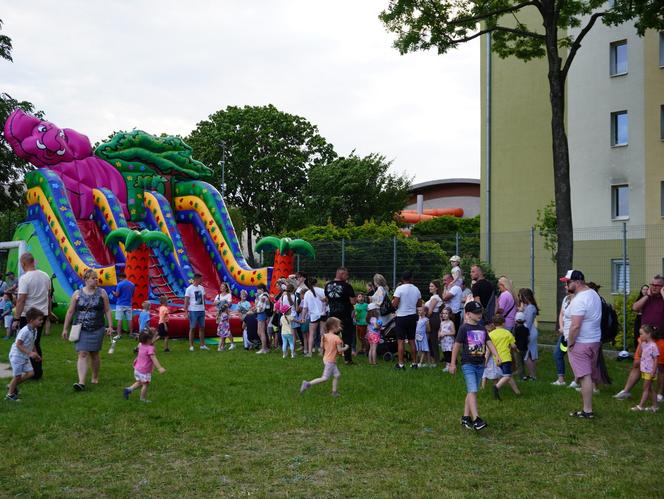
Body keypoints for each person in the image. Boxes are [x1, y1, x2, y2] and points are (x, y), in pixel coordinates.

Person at [450, 301, 500, 431]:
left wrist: (496, 355)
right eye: (476, 313)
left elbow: (488, 342)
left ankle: (465, 417)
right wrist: (452, 363)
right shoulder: (464, 328)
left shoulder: (482, 328)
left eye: (480, 312)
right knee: (473, 390)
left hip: (480, 365)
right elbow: (456, 346)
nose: (479, 315)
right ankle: (476, 419)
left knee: (472, 391)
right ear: (468, 314)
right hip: (468, 364)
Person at [62, 269, 114, 391]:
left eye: (96, 278)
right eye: (93, 278)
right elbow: (70, 312)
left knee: (94, 354)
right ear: (86, 279)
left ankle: (95, 377)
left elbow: (107, 310)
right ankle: (81, 382)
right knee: (82, 353)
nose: (96, 280)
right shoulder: (77, 294)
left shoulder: (102, 293)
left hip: (97, 327)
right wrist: (65, 328)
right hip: (81, 328)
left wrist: (110, 326)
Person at [562, 270, 602, 419]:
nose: (566, 286)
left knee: (585, 377)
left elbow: (575, 326)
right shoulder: (593, 294)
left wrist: (570, 344)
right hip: (594, 340)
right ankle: (587, 409)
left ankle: (587, 410)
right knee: (588, 376)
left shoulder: (579, 300)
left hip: (581, 342)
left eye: (568, 282)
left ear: (577, 282)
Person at [12, 252, 51, 380]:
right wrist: (48, 313)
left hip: (28, 316)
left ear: (23, 263)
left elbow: (21, 299)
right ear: (33, 261)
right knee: (35, 342)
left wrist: (16, 318)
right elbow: (48, 296)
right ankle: (37, 371)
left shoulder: (25, 278)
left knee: (25, 344)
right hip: (42, 314)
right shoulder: (45, 276)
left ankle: (30, 371)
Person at [299, 317, 349, 397]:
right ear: (333, 327)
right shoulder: (337, 338)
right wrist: (346, 347)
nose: (340, 327)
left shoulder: (324, 336)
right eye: (338, 326)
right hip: (330, 360)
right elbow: (340, 350)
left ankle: (334, 392)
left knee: (337, 375)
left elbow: (322, 346)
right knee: (325, 378)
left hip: (326, 359)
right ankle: (307, 384)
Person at [5, 307, 43, 401]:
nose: (41, 321)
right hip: (17, 356)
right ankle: (10, 395)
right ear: (31, 320)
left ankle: (11, 386)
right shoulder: (25, 330)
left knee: (31, 373)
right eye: (39, 320)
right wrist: (30, 353)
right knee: (17, 376)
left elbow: (32, 343)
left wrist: (36, 354)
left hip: (24, 356)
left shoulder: (35, 330)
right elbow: (18, 344)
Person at [122, 330, 166, 403]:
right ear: (149, 340)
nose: (154, 339)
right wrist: (160, 368)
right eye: (152, 338)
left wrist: (135, 359)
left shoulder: (140, 345)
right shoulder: (150, 348)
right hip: (144, 370)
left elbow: (140, 354)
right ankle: (142, 399)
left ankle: (128, 390)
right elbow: (154, 358)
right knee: (145, 385)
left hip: (137, 368)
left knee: (139, 382)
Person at [325, 267, 356, 365]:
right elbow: (353, 301)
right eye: (346, 275)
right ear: (341, 274)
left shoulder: (327, 285)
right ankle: (347, 359)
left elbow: (326, 299)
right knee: (347, 337)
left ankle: (329, 358)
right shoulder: (347, 286)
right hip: (345, 315)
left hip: (332, 316)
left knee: (331, 337)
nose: (347, 277)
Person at [392, 270, 422, 370]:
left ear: (402, 279)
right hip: (413, 316)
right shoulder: (416, 289)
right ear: (411, 278)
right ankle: (414, 363)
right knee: (412, 340)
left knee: (400, 341)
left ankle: (401, 364)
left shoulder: (399, 289)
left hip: (401, 316)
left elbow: (395, 304)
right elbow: (419, 304)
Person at [488, 314, 521, 399]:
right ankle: (496, 387)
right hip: (506, 358)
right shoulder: (507, 333)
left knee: (508, 375)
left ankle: (517, 392)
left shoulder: (491, 334)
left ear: (494, 324)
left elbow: (489, 346)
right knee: (507, 376)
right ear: (503, 323)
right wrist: (516, 349)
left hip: (497, 358)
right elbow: (513, 346)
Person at [630, 325, 659, 412]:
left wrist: (653, 371)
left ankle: (641, 406)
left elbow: (656, 359)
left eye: (642, 334)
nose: (640, 336)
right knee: (650, 388)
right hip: (644, 369)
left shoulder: (653, 346)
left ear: (648, 334)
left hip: (650, 371)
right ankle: (655, 406)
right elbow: (639, 353)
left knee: (645, 388)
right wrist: (640, 343)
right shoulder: (644, 344)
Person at [552, 283, 574, 386]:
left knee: (573, 358)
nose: (565, 287)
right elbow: (561, 313)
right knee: (558, 354)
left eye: (567, 285)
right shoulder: (566, 298)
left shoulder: (578, 300)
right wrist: (561, 326)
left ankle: (578, 380)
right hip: (564, 335)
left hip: (573, 335)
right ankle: (561, 380)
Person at [518, 288, 540, 380]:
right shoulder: (529, 307)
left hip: (529, 332)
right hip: (531, 331)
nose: (520, 298)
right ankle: (532, 375)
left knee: (526, 356)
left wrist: (525, 335)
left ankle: (532, 375)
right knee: (531, 354)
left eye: (521, 296)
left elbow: (529, 322)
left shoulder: (530, 308)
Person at [184, 273, 207, 352]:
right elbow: (186, 301)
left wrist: (205, 308)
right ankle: (191, 346)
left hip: (201, 310)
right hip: (193, 310)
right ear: (196, 279)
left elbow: (203, 299)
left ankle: (202, 345)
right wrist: (186, 312)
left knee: (202, 328)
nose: (202, 280)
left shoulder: (202, 288)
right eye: (201, 279)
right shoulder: (189, 289)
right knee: (192, 328)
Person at [111, 272, 135, 337]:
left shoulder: (120, 284)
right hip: (128, 304)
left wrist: (113, 292)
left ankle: (119, 334)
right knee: (129, 319)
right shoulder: (132, 284)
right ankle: (131, 333)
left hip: (120, 304)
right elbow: (132, 295)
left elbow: (117, 294)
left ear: (120, 277)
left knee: (119, 319)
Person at [425, 280, 443, 366]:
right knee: (431, 339)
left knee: (433, 339)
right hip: (433, 318)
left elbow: (430, 311)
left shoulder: (435, 298)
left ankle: (435, 359)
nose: (430, 288)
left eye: (432, 286)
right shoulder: (433, 297)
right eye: (429, 286)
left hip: (433, 318)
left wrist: (425, 319)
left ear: (436, 288)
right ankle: (433, 358)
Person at [438, 307, 456, 372]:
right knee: (445, 353)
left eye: (446, 313)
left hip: (449, 341)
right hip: (443, 342)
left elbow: (453, 332)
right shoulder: (442, 323)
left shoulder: (451, 323)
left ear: (449, 315)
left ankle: (448, 366)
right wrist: (439, 335)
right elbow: (440, 330)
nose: (444, 315)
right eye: (443, 313)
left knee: (449, 353)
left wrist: (445, 334)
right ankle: (448, 364)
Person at [254, 284, 270, 354]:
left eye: (258, 289)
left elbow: (261, 308)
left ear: (262, 289)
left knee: (262, 332)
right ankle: (265, 347)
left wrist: (255, 310)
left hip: (262, 314)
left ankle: (264, 349)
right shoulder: (261, 296)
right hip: (260, 314)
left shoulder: (263, 297)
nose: (257, 291)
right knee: (259, 332)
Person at [512, 312, 529, 377]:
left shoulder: (515, 329)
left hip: (517, 349)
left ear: (516, 320)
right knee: (522, 362)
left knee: (519, 363)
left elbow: (513, 338)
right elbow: (528, 339)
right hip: (524, 348)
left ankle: (521, 376)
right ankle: (523, 374)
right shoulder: (526, 329)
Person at [633, 284, 650, 349]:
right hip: (639, 318)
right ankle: (637, 350)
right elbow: (635, 309)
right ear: (641, 290)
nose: (645, 291)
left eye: (646, 289)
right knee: (637, 334)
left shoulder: (650, 299)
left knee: (646, 334)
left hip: (646, 318)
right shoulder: (639, 299)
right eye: (643, 289)